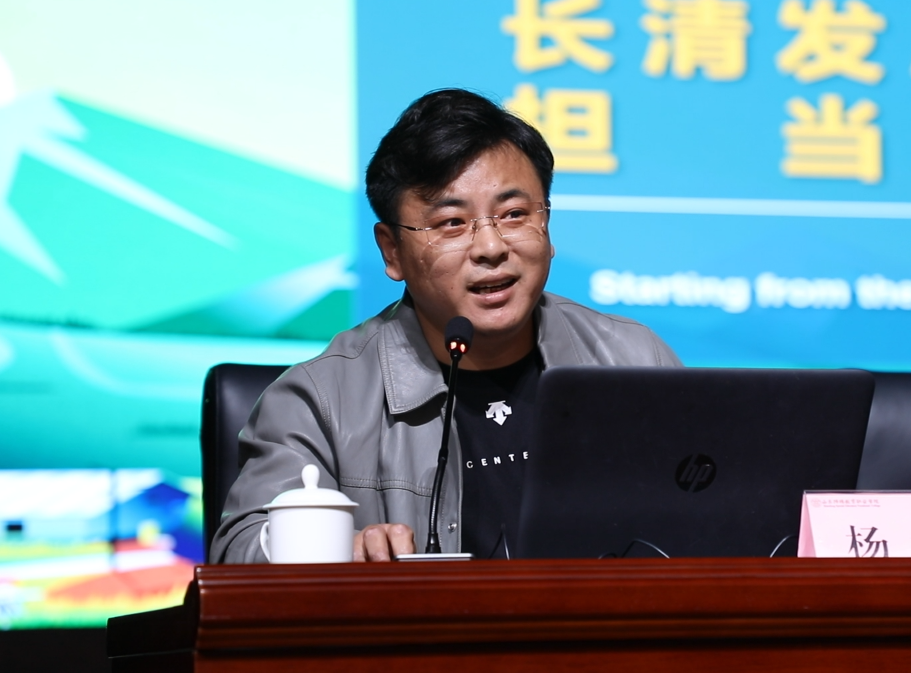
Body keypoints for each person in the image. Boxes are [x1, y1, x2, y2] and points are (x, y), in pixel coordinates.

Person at [210, 89, 681, 564]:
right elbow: (237, 551)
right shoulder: (319, 401)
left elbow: (709, 522)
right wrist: (332, 551)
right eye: (452, 223)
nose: (491, 247)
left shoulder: (635, 360)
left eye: (514, 215)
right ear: (392, 251)